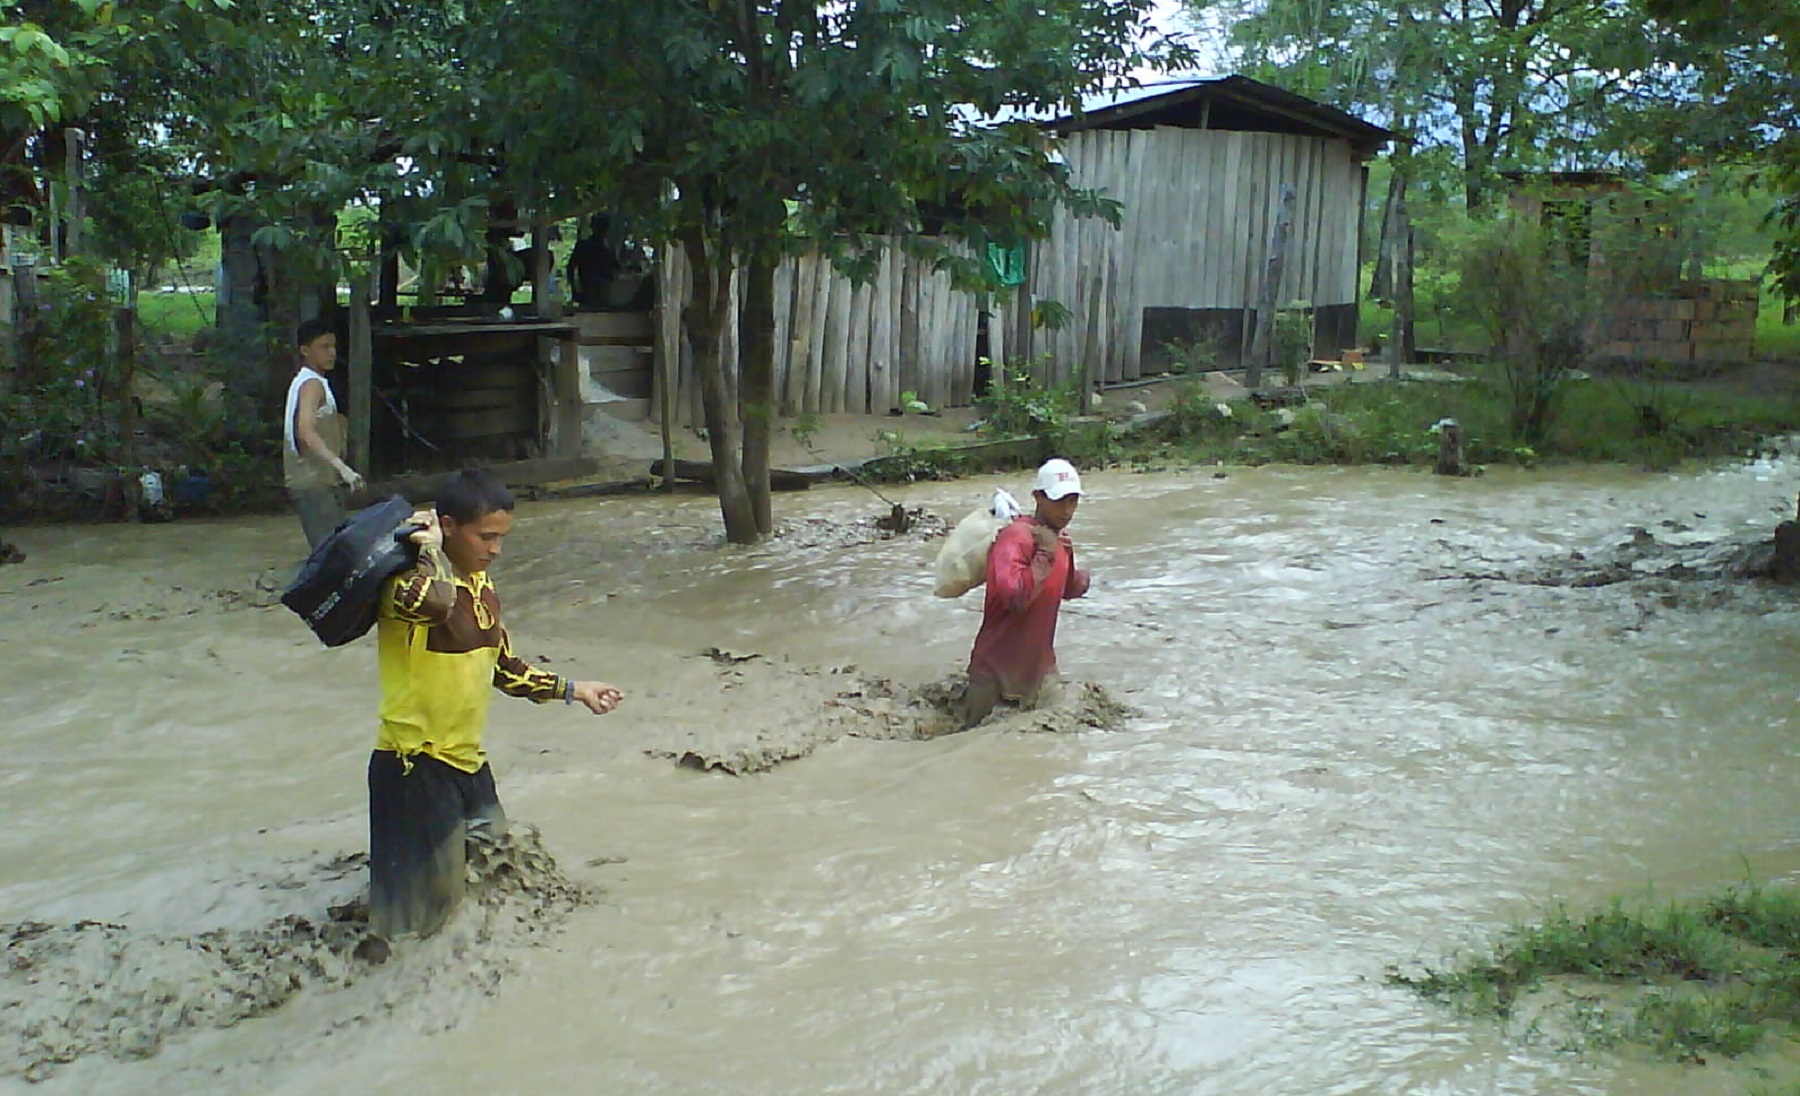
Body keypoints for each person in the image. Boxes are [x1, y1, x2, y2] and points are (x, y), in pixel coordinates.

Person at [369, 468, 624, 938]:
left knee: (493, 860)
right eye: (485, 537)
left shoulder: (483, 590)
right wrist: (427, 551)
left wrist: (574, 689)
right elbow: (436, 605)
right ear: (448, 527)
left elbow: (505, 669)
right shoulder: (404, 584)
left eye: (501, 538)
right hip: (412, 764)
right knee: (427, 910)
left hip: (467, 761)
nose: (495, 550)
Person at [961, 458, 1091, 727]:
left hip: (1040, 669)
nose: (1067, 510)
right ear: (1038, 498)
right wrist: (1044, 553)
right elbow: (1016, 598)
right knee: (966, 737)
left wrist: (1083, 579)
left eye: (1073, 501)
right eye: (1059, 500)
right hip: (995, 670)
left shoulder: (1060, 541)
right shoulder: (1015, 539)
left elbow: (1066, 587)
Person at [283, 318, 364, 548]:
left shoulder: (313, 382)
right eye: (324, 347)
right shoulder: (311, 385)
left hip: (320, 480)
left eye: (333, 346)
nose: (331, 353)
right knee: (331, 551)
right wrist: (341, 467)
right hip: (312, 481)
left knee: (336, 547)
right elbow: (305, 432)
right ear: (305, 350)